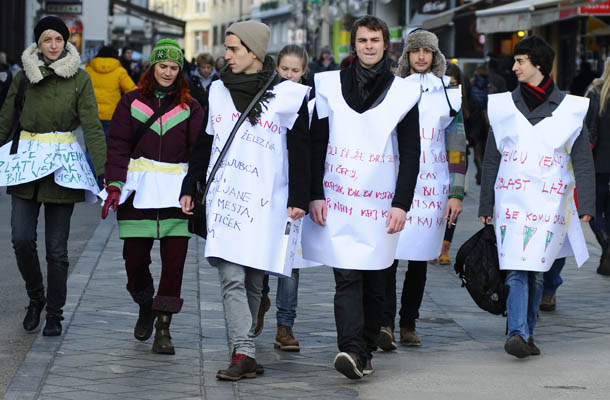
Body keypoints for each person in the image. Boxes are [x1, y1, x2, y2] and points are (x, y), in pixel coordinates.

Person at [179, 20, 310, 381]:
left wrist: (300, 197)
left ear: (253, 52)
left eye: (234, 48)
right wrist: (191, 184)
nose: (227, 54)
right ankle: (243, 349)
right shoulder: (218, 90)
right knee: (231, 277)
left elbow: (301, 149)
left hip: (268, 201)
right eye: (227, 48)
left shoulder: (288, 94)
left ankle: (244, 349)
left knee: (254, 281)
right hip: (225, 200)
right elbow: (206, 142)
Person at [302, 15, 421, 379]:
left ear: (386, 45)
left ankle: (366, 347)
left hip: (382, 203)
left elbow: (412, 151)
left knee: (375, 282)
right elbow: (316, 141)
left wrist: (402, 203)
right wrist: (314, 194)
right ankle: (350, 348)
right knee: (347, 276)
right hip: (339, 200)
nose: (369, 46)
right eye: (362, 40)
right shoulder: (328, 85)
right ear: (353, 45)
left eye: (375, 40)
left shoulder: (403, 92)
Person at [479, 35, 594, 358]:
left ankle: (526, 330)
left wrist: (585, 204)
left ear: (539, 65)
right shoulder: (502, 105)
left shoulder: (570, 108)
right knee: (516, 266)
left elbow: (582, 158)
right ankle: (518, 331)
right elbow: (492, 158)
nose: (514, 67)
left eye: (520, 61)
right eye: (515, 61)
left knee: (538, 270)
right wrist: (486, 202)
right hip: (511, 202)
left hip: (550, 203)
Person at [0, 16, 106, 336]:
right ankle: (36, 298)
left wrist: (103, 171)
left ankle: (55, 314)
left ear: (66, 42)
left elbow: (91, 125)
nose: (53, 45)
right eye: (47, 40)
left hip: (63, 166)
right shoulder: (22, 78)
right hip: (27, 164)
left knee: (57, 250)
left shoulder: (80, 78)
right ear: (39, 43)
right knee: (21, 239)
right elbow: (6, 118)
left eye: (59, 39)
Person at [101, 39, 204, 354]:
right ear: (153, 67)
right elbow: (117, 144)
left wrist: (193, 188)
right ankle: (146, 302)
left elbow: (198, 152)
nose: (168, 73)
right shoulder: (130, 102)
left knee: (174, 265)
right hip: (139, 192)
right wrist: (115, 184)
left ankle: (163, 326)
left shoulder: (191, 106)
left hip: (177, 194)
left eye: (174, 67)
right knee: (134, 260)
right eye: (163, 66)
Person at [378, 29, 467, 351]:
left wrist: (456, 190)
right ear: (407, 55)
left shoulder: (448, 92)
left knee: (419, 258)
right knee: (389, 256)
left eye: (426, 51)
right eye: (415, 50)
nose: (420, 56)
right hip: (398, 181)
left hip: (433, 184)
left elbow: (457, 144)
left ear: (435, 56)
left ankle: (408, 322)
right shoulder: (394, 89)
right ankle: (384, 322)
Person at [254, 44, 311, 352]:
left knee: (290, 262)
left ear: (304, 71)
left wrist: (303, 195)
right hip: (265, 187)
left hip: (294, 191)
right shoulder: (266, 99)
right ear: (276, 70)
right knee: (262, 253)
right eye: (284, 70)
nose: (289, 76)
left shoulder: (311, 101)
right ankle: (260, 297)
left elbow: (308, 150)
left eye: (295, 70)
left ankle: (285, 325)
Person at [584, 60, 610, 276]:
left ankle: (605, 243)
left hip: (597, 163)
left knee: (592, 211)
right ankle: (607, 255)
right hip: (599, 165)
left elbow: (584, 128)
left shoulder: (595, 93)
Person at [85, 45, 136, 136]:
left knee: (91, 146)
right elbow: (132, 91)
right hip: (111, 115)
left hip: (91, 114)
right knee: (109, 146)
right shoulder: (120, 71)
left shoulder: (88, 70)